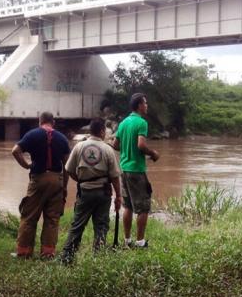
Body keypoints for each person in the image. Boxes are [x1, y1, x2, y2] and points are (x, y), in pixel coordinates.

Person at [60, 118, 123, 264]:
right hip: (103, 193)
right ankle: (98, 258)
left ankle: (67, 257)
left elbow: (68, 170)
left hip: (85, 192)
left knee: (77, 225)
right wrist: (118, 196)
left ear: (90, 131)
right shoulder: (108, 149)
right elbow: (114, 176)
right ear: (102, 131)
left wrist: (81, 181)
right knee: (101, 226)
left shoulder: (79, 146)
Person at [11, 111, 70, 259]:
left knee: (29, 216)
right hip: (57, 180)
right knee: (52, 219)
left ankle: (24, 252)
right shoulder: (62, 138)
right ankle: (48, 254)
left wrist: (26, 165)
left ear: (40, 121)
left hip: (38, 179)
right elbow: (67, 166)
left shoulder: (32, 135)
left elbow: (15, 151)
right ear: (53, 122)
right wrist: (64, 186)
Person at [112, 93, 160, 248]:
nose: (147, 106)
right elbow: (140, 145)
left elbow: (115, 145)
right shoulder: (141, 122)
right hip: (137, 171)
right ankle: (140, 242)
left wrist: (127, 149)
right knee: (143, 208)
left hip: (124, 169)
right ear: (139, 105)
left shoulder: (123, 123)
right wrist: (153, 153)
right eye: (145, 103)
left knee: (128, 206)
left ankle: (127, 241)